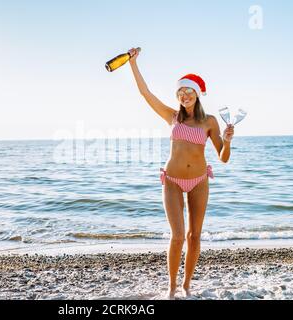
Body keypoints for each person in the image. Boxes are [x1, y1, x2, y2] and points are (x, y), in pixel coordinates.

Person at [127, 48, 234, 299]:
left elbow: (223, 158)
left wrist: (227, 141)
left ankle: (186, 285)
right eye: (180, 92)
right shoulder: (172, 116)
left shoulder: (209, 121)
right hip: (173, 181)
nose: (184, 96)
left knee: (194, 237)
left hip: (199, 181)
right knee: (177, 236)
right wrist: (133, 64)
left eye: (188, 92)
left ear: (196, 94)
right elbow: (145, 93)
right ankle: (172, 286)